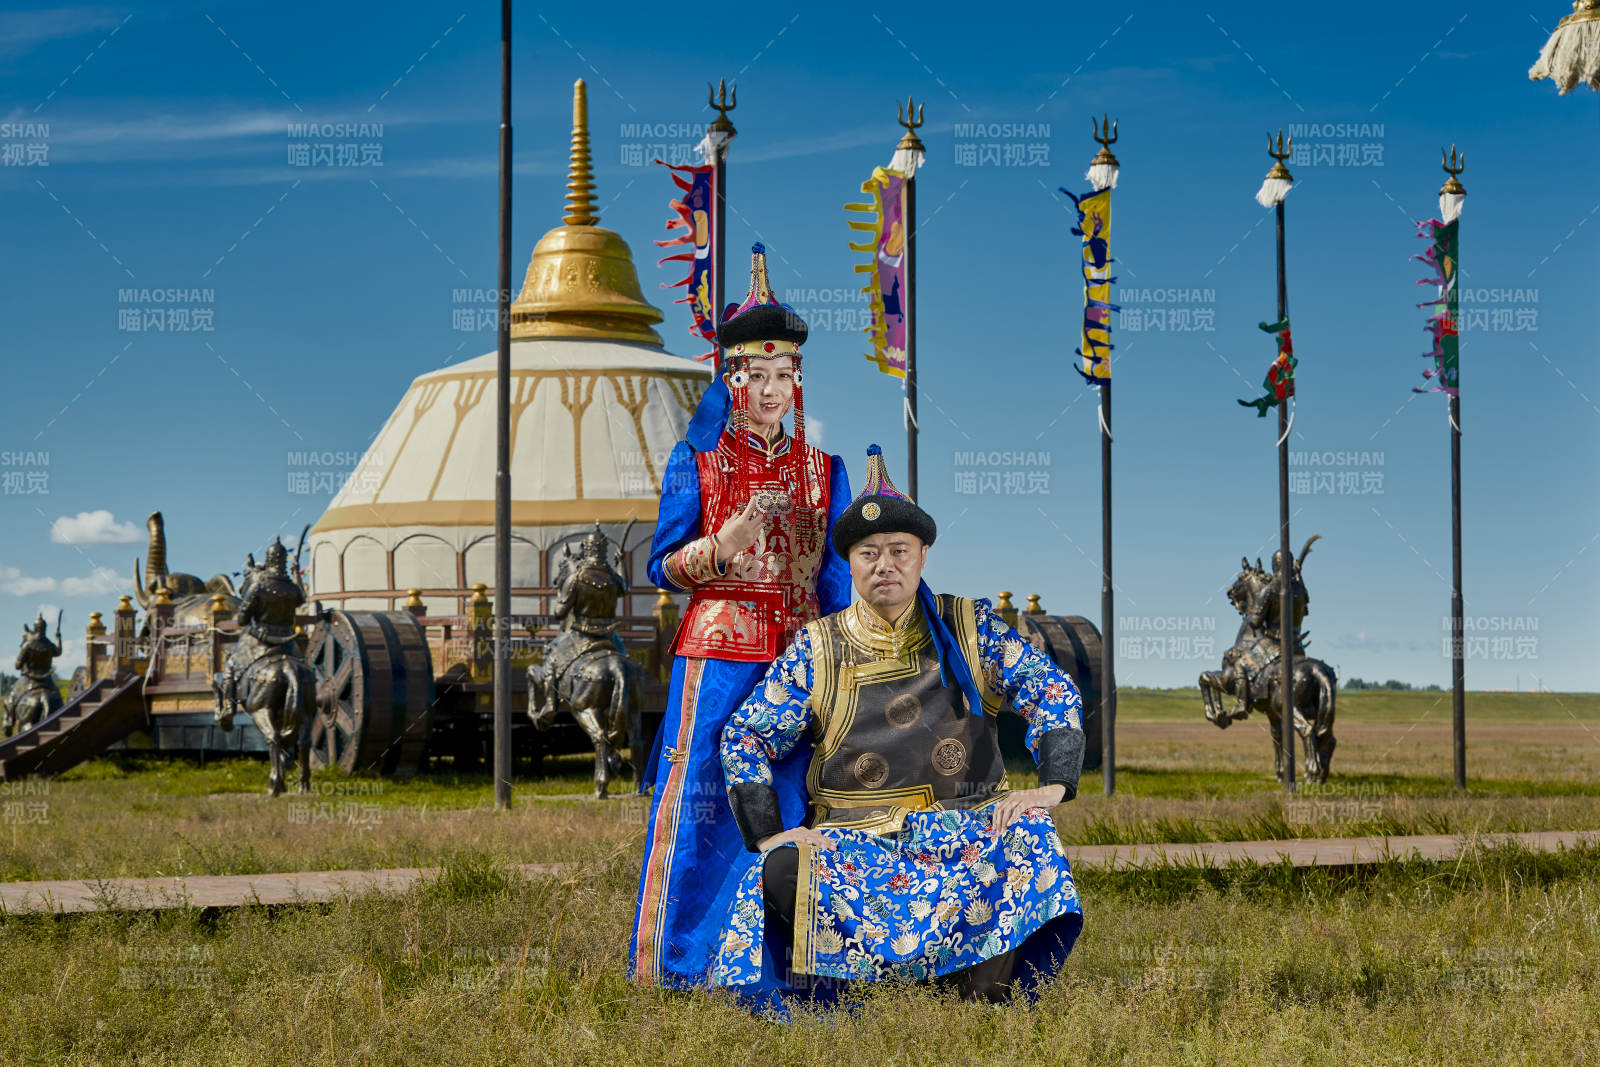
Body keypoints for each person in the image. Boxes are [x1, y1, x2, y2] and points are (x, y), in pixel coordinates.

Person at [712, 445, 1085, 1002]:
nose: (884, 564)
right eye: (869, 553)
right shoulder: (817, 647)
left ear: (923, 557)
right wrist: (769, 832)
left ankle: (982, 1000)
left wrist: (1053, 784)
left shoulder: (971, 628)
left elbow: (1048, 688)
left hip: (966, 833)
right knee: (783, 867)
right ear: (850, 563)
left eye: (899, 551)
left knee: (1030, 833)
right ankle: (840, 1005)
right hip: (853, 840)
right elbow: (746, 733)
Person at [631, 243, 853, 988]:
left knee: (795, 802)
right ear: (732, 377)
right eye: (756, 374)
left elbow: (837, 578)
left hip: (800, 659)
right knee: (701, 804)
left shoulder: (826, 471)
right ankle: (676, 966)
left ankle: (786, 970)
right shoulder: (696, 462)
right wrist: (722, 546)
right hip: (720, 654)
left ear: (798, 380)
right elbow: (661, 565)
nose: (771, 387)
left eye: (784, 375)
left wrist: (855, 656)